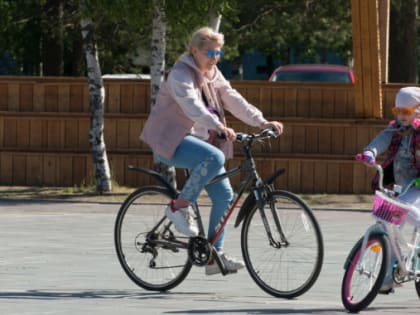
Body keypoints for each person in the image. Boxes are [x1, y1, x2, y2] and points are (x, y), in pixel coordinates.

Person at [140, 27, 284, 276]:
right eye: (209, 52)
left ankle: (212, 257)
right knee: (214, 156)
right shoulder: (180, 75)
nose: (215, 57)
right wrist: (218, 126)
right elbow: (192, 106)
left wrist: (262, 122)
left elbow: (232, 97)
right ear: (194, 51)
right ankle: (178, 207)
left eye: (219, 52)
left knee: (224, 197)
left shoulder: (212, 73)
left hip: (200, 142)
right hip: (172, 140)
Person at [356, 86, 420, 292]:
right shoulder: (397, 129)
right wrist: (369, 152)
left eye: (406, 112)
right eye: (397, 111)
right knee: (386, 224)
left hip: (417, 186)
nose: (401, 115)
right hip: (400, 185)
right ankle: (389, 274)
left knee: (406, 212)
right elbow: (382, 139)